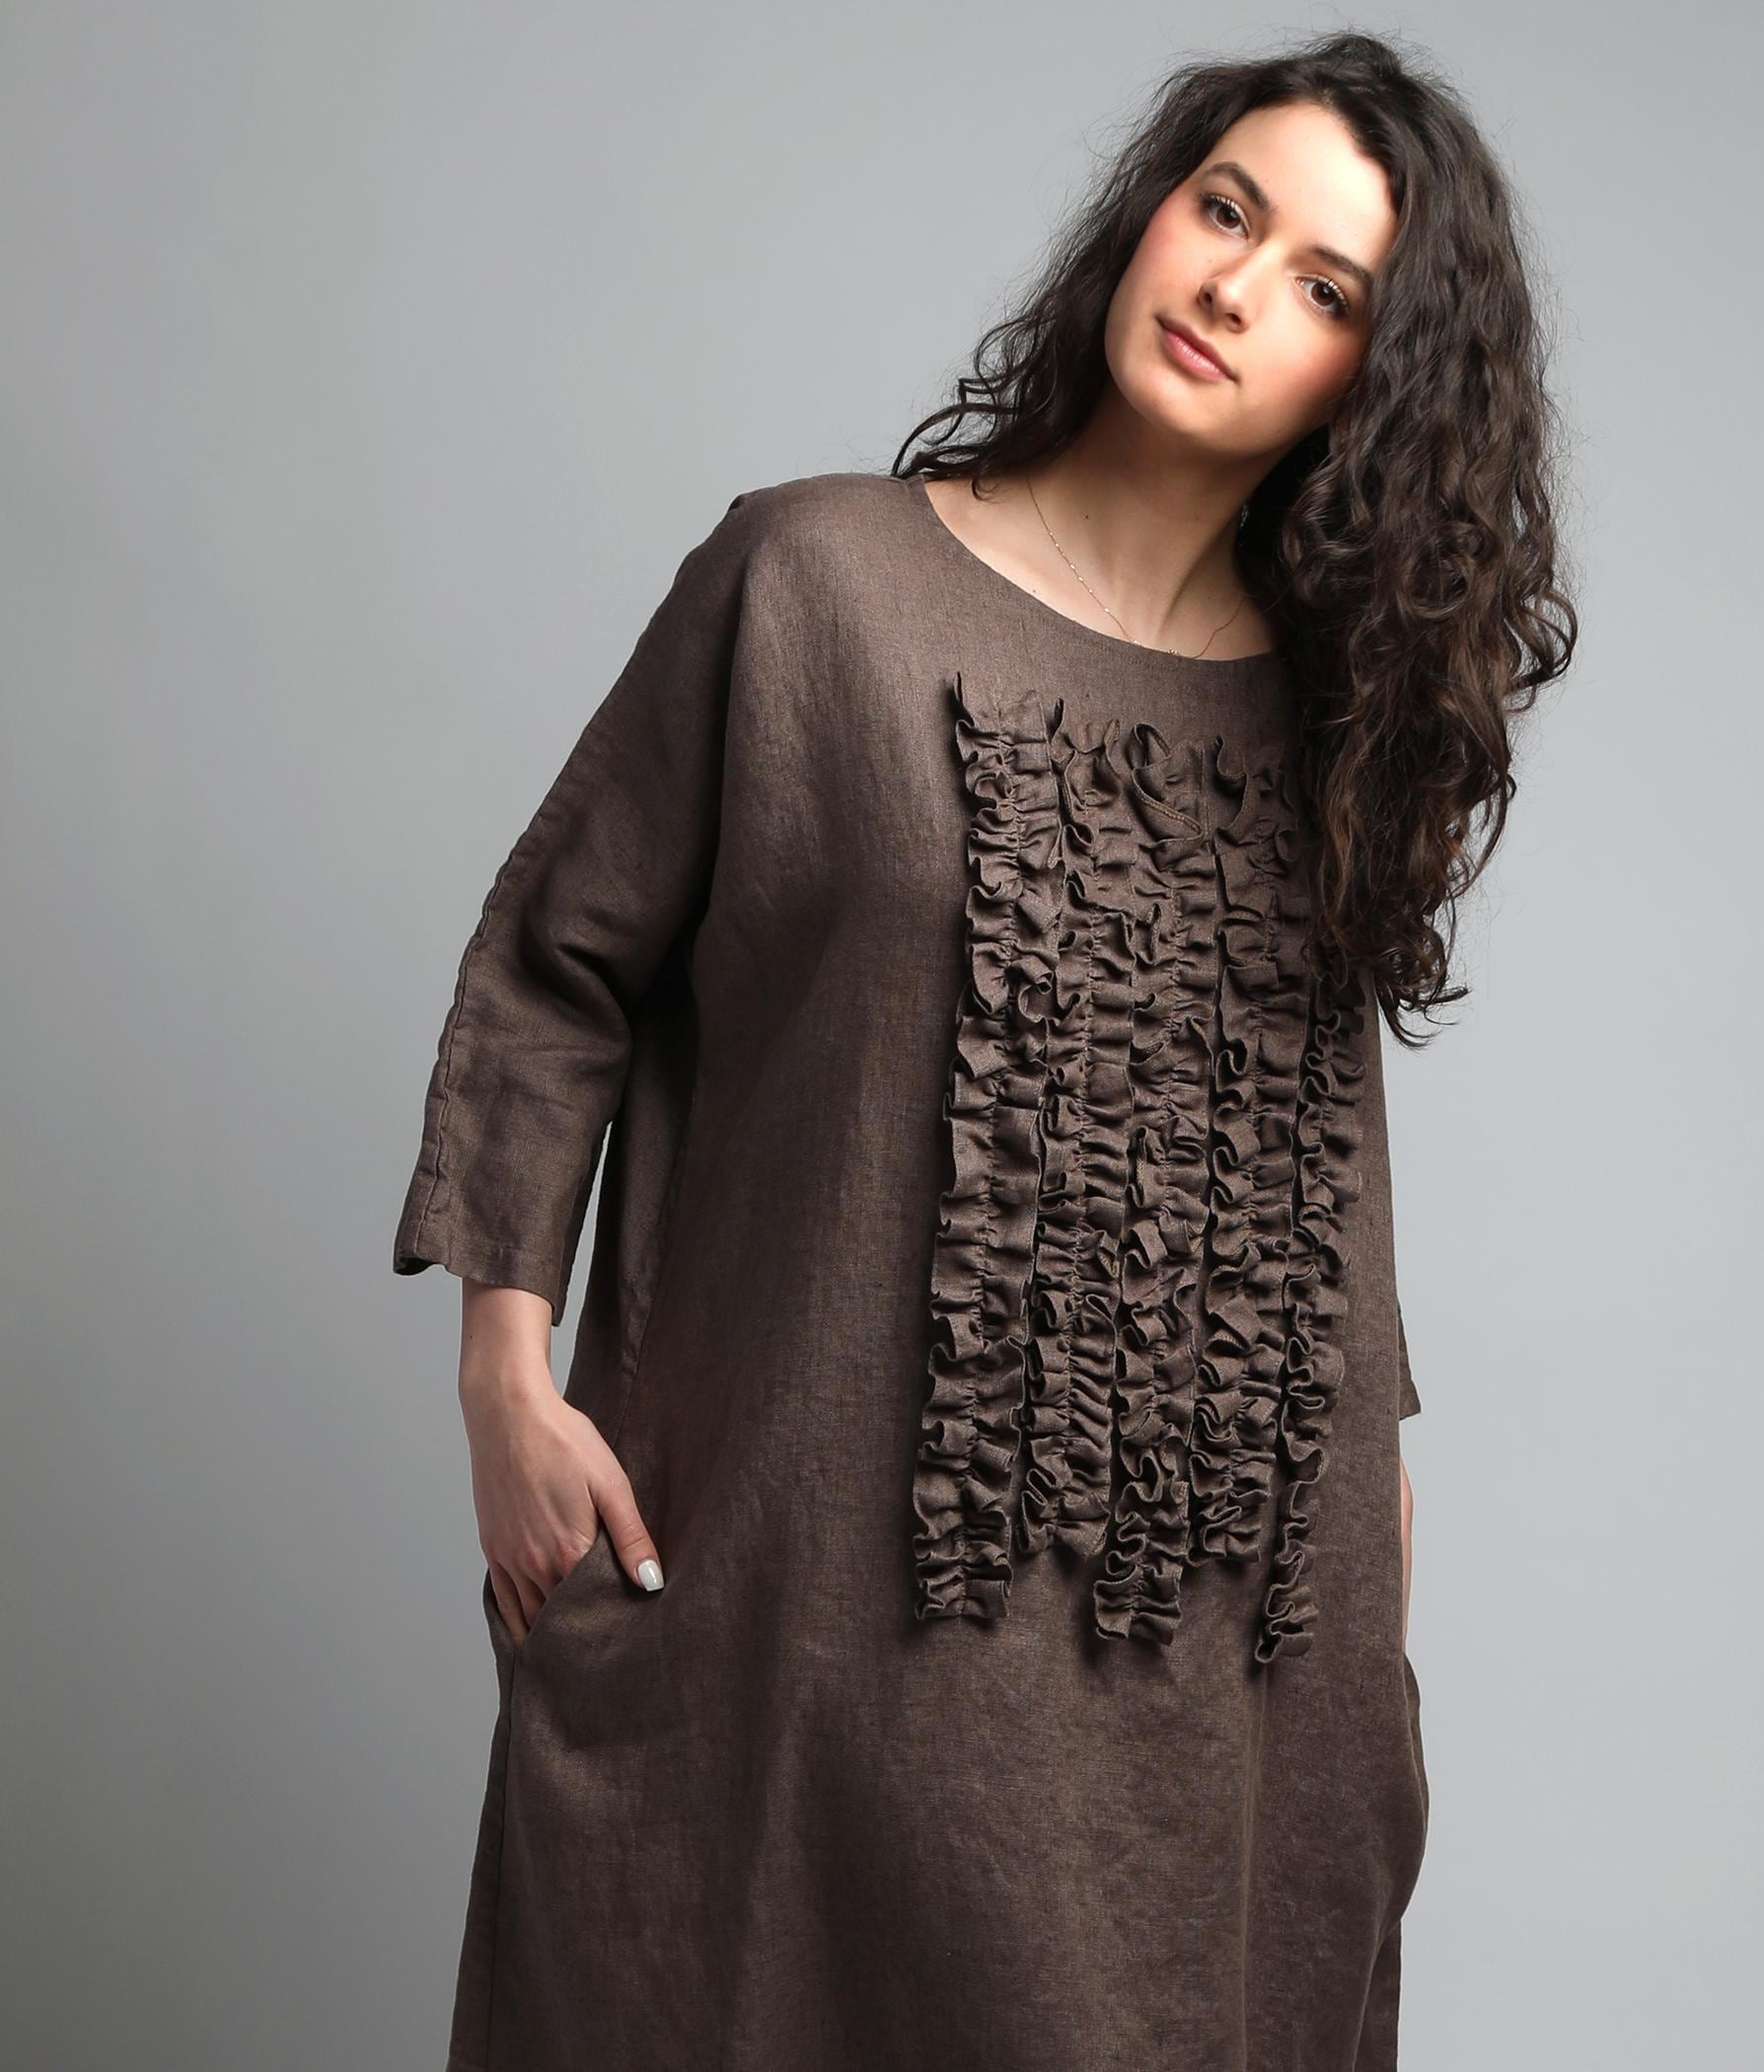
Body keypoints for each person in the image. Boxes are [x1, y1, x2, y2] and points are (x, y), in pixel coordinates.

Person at [392, 29, 1574, 2072]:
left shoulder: (1328, 741)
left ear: (1369, 386)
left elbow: (1318, 1187)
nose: (1235, 290)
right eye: (1225, 210)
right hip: (799, 1621)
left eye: (1324, 288)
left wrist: (1374, 1607)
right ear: (1149, 213)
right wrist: (504, 1369)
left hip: (1222, 1691)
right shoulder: (813, 583)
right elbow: (557, 963)